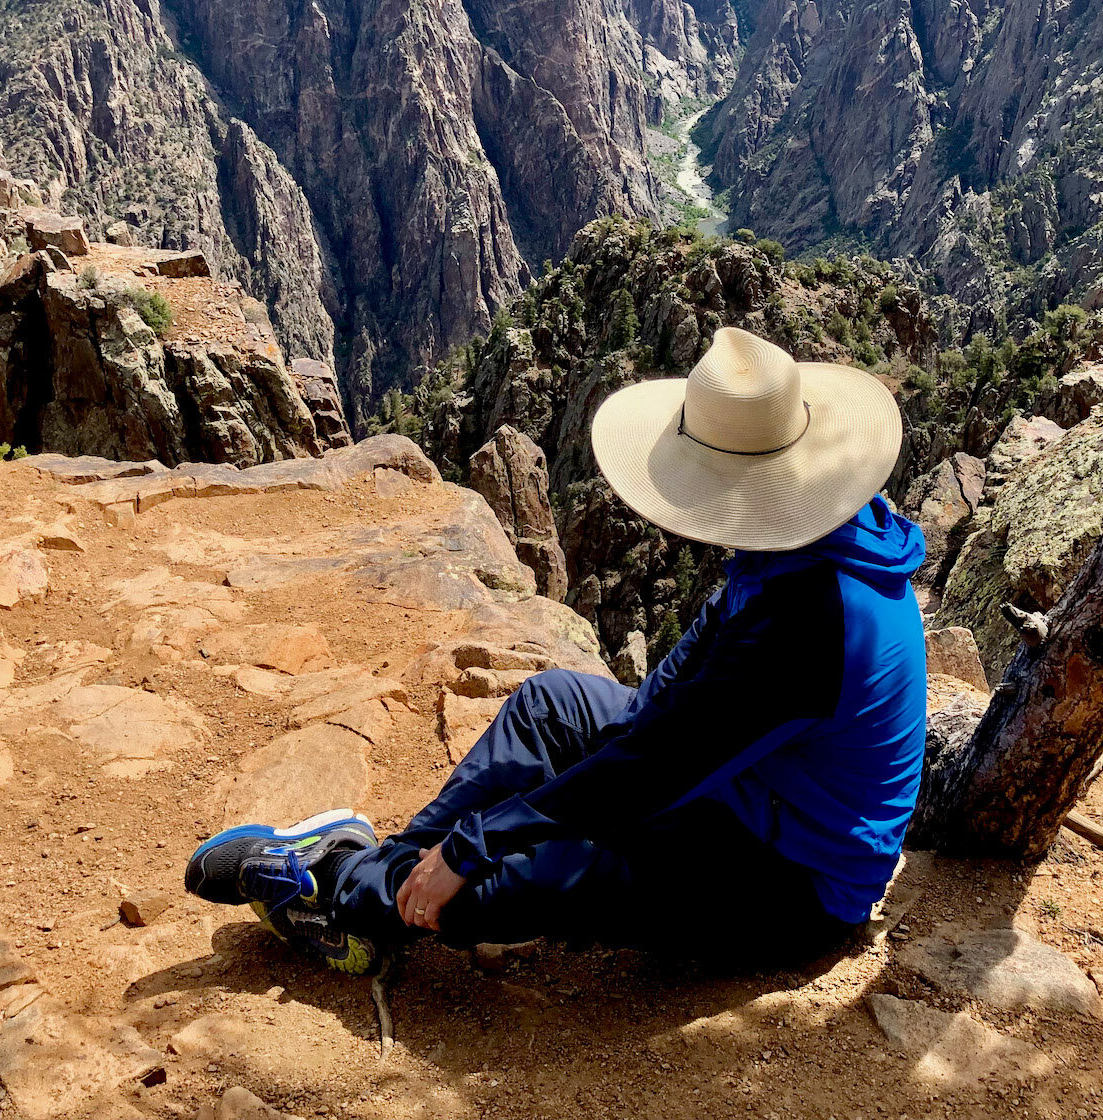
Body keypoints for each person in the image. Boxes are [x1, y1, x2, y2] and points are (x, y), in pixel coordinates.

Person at [183, 326, 928, 973]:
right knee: (552, 706)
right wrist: (618, 739)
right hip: (750, 786)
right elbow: (683, 687)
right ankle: (400, 870)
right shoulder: (827, 530)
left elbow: (655, 771)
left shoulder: (808, 623)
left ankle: (342, 890)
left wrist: (476, 848)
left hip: (788, 877)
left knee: (517, 882)